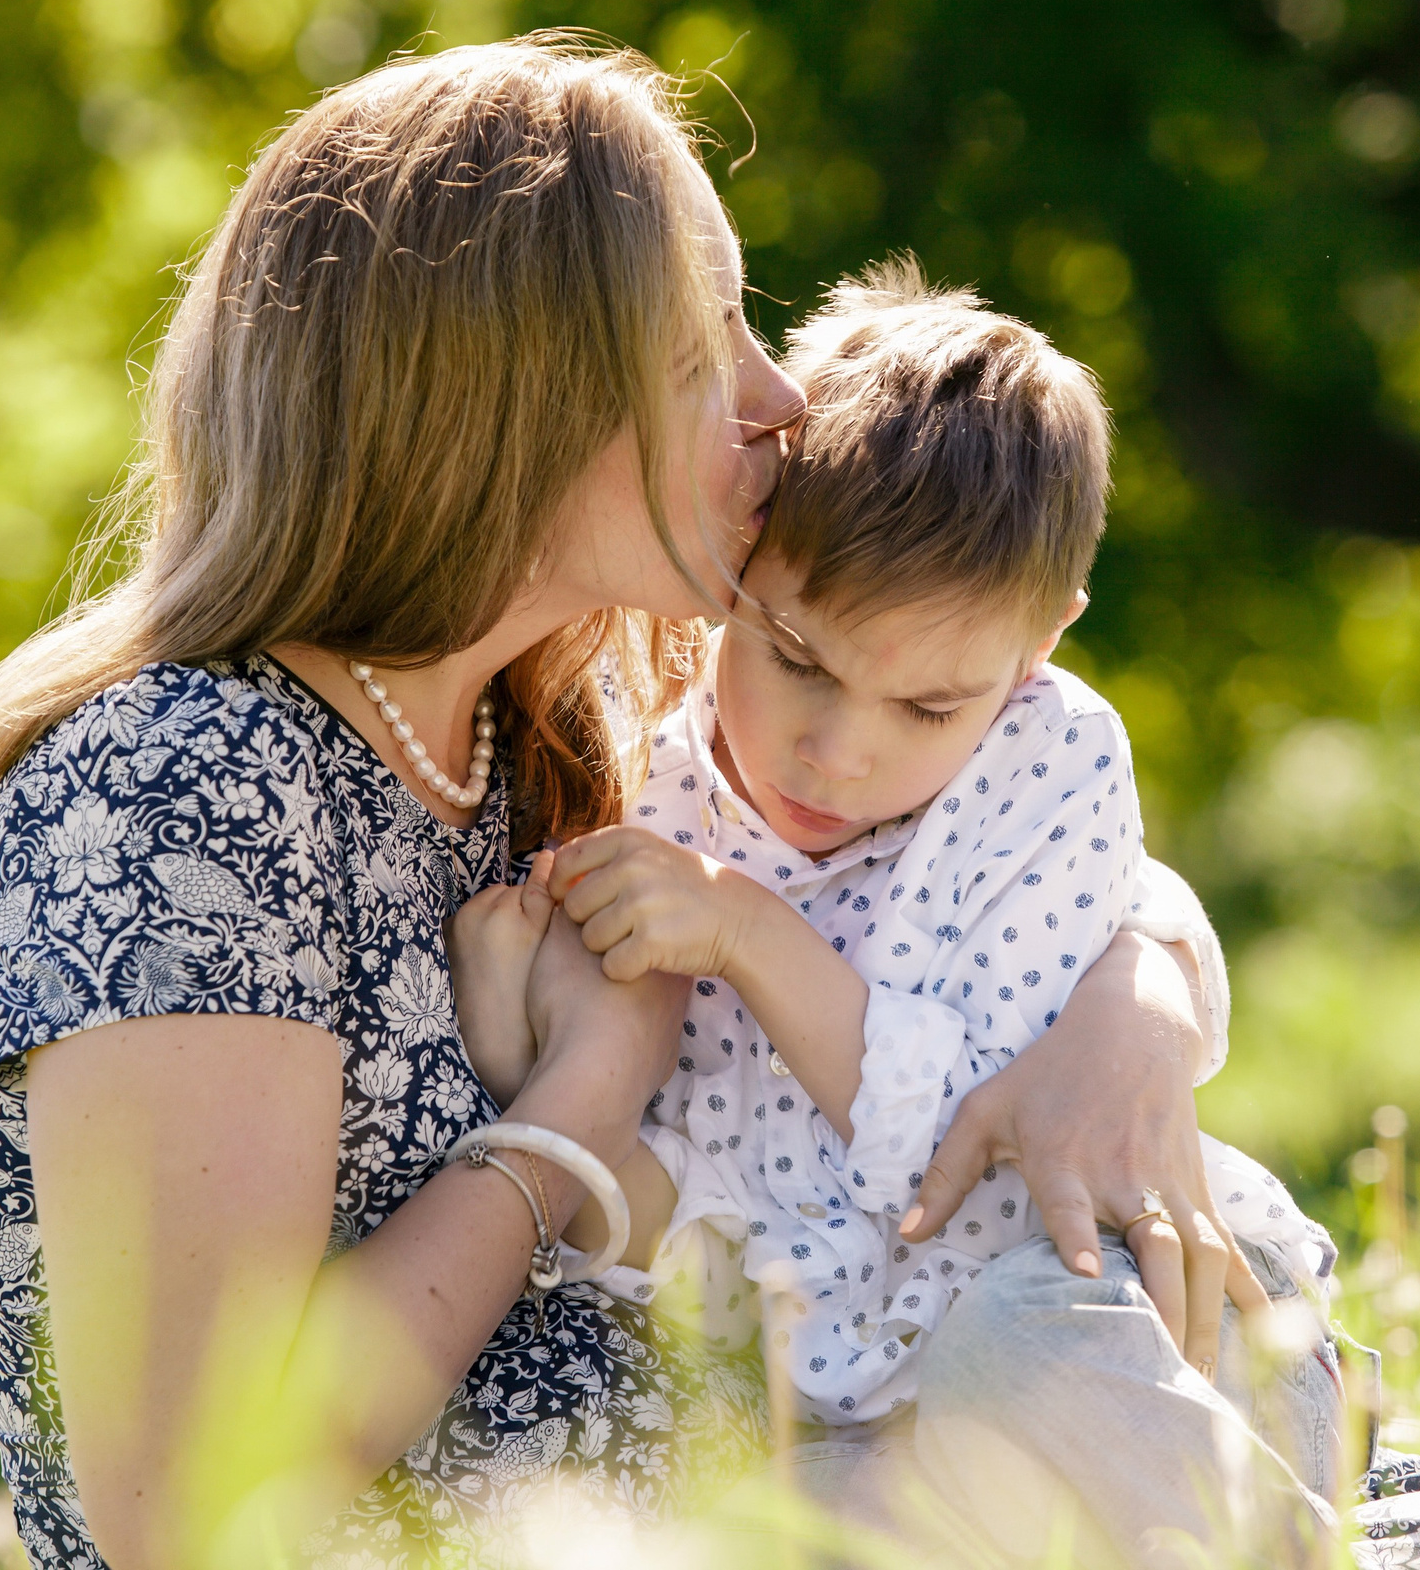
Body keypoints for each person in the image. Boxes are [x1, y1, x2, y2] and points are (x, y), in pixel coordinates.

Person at [0, 35, 1255, 1570]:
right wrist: (576, 1112)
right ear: (512, 416)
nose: (778, 400)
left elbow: (979, 831)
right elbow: (185, 1508)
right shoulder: (183, 789)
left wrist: (1133, 1009)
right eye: (703, 353)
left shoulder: (545, 722)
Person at [446, 266, 1347, 1566]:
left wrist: (750, 935)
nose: (838, 751)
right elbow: (697, 1237)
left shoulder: (1045, 765)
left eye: (927, 707)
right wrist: (516, 1059)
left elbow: (991, 1142)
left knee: (1017, 1351)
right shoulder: (653, 791)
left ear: (1040, 645)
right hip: (885, 1420)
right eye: (795, 659)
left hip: (1132, 1326)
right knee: (766, 1520)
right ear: (742, 553)